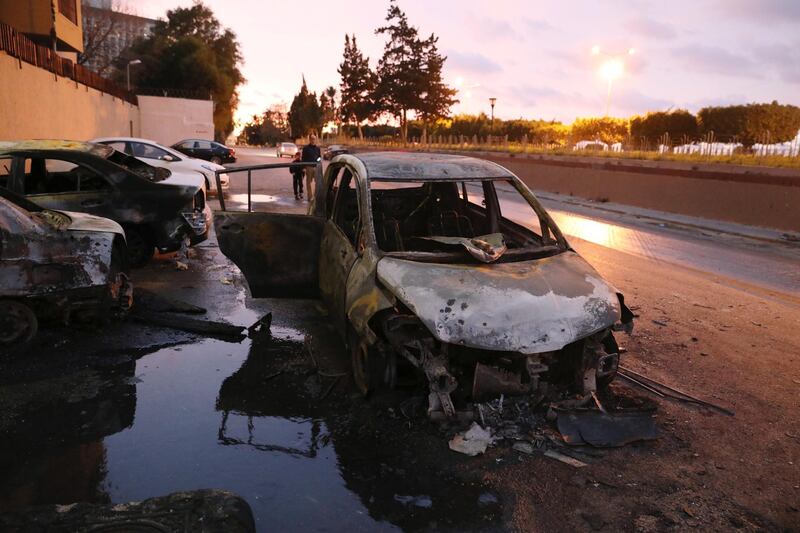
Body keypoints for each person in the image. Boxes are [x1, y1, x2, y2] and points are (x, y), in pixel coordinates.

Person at [301, 134, 321, 201]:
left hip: (316, 167)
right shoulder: (306, 148)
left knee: (317, 182)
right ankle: (310, 197)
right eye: (312, 139)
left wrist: (318, 163)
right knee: (308, 183)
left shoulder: (318, 148)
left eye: (314, 139)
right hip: (308, 167)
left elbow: (319, 157)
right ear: (309, 140)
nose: (313, 140)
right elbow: (303, 158)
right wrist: (303, 167)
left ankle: (316, 196)